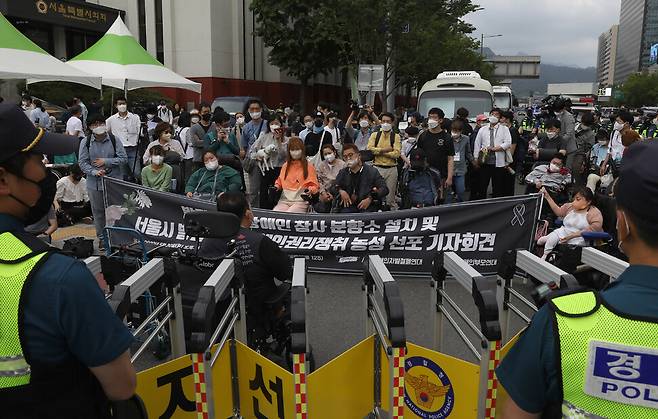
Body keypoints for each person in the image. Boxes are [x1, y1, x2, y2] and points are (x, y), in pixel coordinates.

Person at [498, 140, 658, 419]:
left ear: (623, 223)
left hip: (579, 253)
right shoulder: (570, 210)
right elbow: (558, 215)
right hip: (563, 250)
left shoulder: (562, 320)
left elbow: (515, 412)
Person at [0, 103, 136, 418]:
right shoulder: (60, 278)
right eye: (38, 160)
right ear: (3, 180)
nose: (46, 170)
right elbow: (121, 387)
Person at [199, 191, 292, 330]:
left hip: (218, 303)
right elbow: (285, 272)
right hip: (256, 305)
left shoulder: (207, 240)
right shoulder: (260, 242)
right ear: (248, 213)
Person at [79, 114, 128, 248]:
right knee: (99, 212)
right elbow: (82, 162)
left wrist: (106, 161)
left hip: (114, 183)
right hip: (94, 184)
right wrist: (95, 172)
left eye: (100, 123)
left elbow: (123, 158)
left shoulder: (114, 139)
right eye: (94, 124)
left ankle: (118, 237)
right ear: (89, 127)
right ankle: (102, 237)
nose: (98, 126)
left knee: (116, 211)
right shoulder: (86, 142)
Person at [537, 186, 603, 258]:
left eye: (578, 199)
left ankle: (549, 243)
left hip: (580, 240)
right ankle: (546, 253)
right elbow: (559, 212)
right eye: (574, 199)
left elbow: (595, 228)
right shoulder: (570, 207)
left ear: (588, 202)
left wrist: (572, 236)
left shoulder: (594, 212)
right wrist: (547, 197)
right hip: (564, 233)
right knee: (554, 236)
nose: (574, 202)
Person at [332, 144, 388, 213]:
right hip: (349, 207)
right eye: (345, 157)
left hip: (368, 206)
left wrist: (371, 198)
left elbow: (384, 189)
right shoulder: (343, 172)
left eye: (350, 155)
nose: (348, 159)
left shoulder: (372, 171)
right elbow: (333, 187)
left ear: (359, 156)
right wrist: (341, 191)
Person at [249, 117, 289, 209]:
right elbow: (252, 151)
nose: (274, 126)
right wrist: (257, 157)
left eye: (276, 123)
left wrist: (279, 140)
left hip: (280, 169)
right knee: (264, 193)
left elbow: (284, 156)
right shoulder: (264, 137)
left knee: (277, 194)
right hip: (265, 170)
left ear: (281, 125)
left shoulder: (286, 140)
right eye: (272, 123)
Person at [272, 137, 319, 213]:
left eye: (297, 149)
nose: (295, 152)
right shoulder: (285, 166)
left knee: (289, 215)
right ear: (289, 151)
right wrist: (276, 187)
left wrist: (310, 190)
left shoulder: (309, 166)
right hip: (284, 200)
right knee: (276, 214)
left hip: (300, 201)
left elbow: (315, 185)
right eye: (292, 150)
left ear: (302, 150)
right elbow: (280, 180)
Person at [473, 112, 512, 198]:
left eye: (496, 115)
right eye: (492, 114)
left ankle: (495, 205)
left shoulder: (504, 129)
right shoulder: (483, 129)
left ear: (500, 118)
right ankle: (481, 203)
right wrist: (476, 158)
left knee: (497, 187)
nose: (493, 116)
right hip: (484, 161)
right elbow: (477, 144)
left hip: (498, 163)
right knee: (482, 185)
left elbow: (508, 143)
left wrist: (495, 148)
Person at [367, 112, 401, 209]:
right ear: (380, 122)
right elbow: (370, 149)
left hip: (391, 169)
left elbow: (396, 154)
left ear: (392, 123)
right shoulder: (374, 135)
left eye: (388, 121)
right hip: (377, 168)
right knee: (375, 196)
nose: (385, 123)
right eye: (383, 121)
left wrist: (379, 152)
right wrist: (385, 150)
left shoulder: (396, 136)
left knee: (390, 199)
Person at [418, 107, 454, 191]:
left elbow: (450, 158)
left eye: (434, 118)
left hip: (441, 174)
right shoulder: (423, 136)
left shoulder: (447, 137)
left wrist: (449, 177)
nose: (431, 120)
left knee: (440, 198)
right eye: (430, 117)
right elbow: (418, 154)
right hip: (425, 174)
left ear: (440, 120)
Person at [106, 97, 142, 181]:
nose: (122, 106)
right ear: (116, 106)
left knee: (137, 172)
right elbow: (105, 132)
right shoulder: (111, 119)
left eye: (124, 103)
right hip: (120, 150)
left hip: (133, 149)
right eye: (120, 104)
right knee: (123, 174)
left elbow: (140, 132)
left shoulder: (135, 117)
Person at [241, 100, 269, 208]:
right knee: (253, 190)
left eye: (257, 109)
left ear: (261, 110)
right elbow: (243, 147)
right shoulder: (246, 127)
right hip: (253, 161)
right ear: (248, 111)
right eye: (252, 109)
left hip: (267, 160)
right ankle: (254, 211)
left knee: (265, 188)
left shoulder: (267, 124)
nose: (254, 111)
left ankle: (267, 210)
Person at [446, 120, 473, 202]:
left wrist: (473, 161)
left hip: (460, 168)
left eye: (457, 131)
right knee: (448, 191)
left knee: (461, 190)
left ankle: (460, 206)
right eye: (453, 131)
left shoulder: (466, 139)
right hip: (448, 169)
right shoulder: (447, 138)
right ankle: (448, 207)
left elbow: (468, 152)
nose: (455, 133)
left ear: (461, 131)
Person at [315, 144, 346, 213]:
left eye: (329, 153)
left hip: (338, 192)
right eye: (325, 154)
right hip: (325, 192)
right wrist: (323, 192)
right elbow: (319, 181)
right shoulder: (321, 166)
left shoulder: (342, 164)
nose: (328, 156)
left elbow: (344, 180)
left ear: (334, 152)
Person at [188, 102, 215, 170]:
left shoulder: (214, 126)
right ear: (200, 113)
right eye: (204, 112)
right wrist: (210, 141)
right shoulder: (194, 127)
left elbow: (216, 142)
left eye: (208, 112)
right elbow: (195, 143)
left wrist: (201, 141)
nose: (207, 114)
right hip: (198, 160)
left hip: (212, 160)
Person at [174, 111, 194, 182]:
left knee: (182, 174)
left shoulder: (177, 129)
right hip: (189, 155)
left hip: (180, 154)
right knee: (188, 175)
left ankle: (181, 189)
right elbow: (191, 143)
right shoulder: (187, 130)